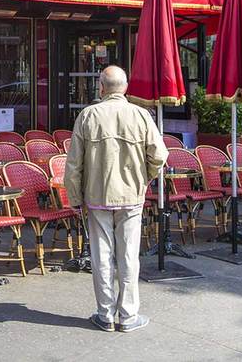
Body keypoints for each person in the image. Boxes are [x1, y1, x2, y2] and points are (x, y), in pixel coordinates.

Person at [65, 65, 167, 333]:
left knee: (101, 255)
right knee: (129, 255)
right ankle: (128, 315)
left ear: (101, 87)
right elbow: (159, 155)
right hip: (131, 195)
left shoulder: (88, 115)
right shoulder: (141, 115)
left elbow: (74, 164)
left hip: (97, 195)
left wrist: (75, 197)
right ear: (125, 88)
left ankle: (105, 314)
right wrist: (143, 178)